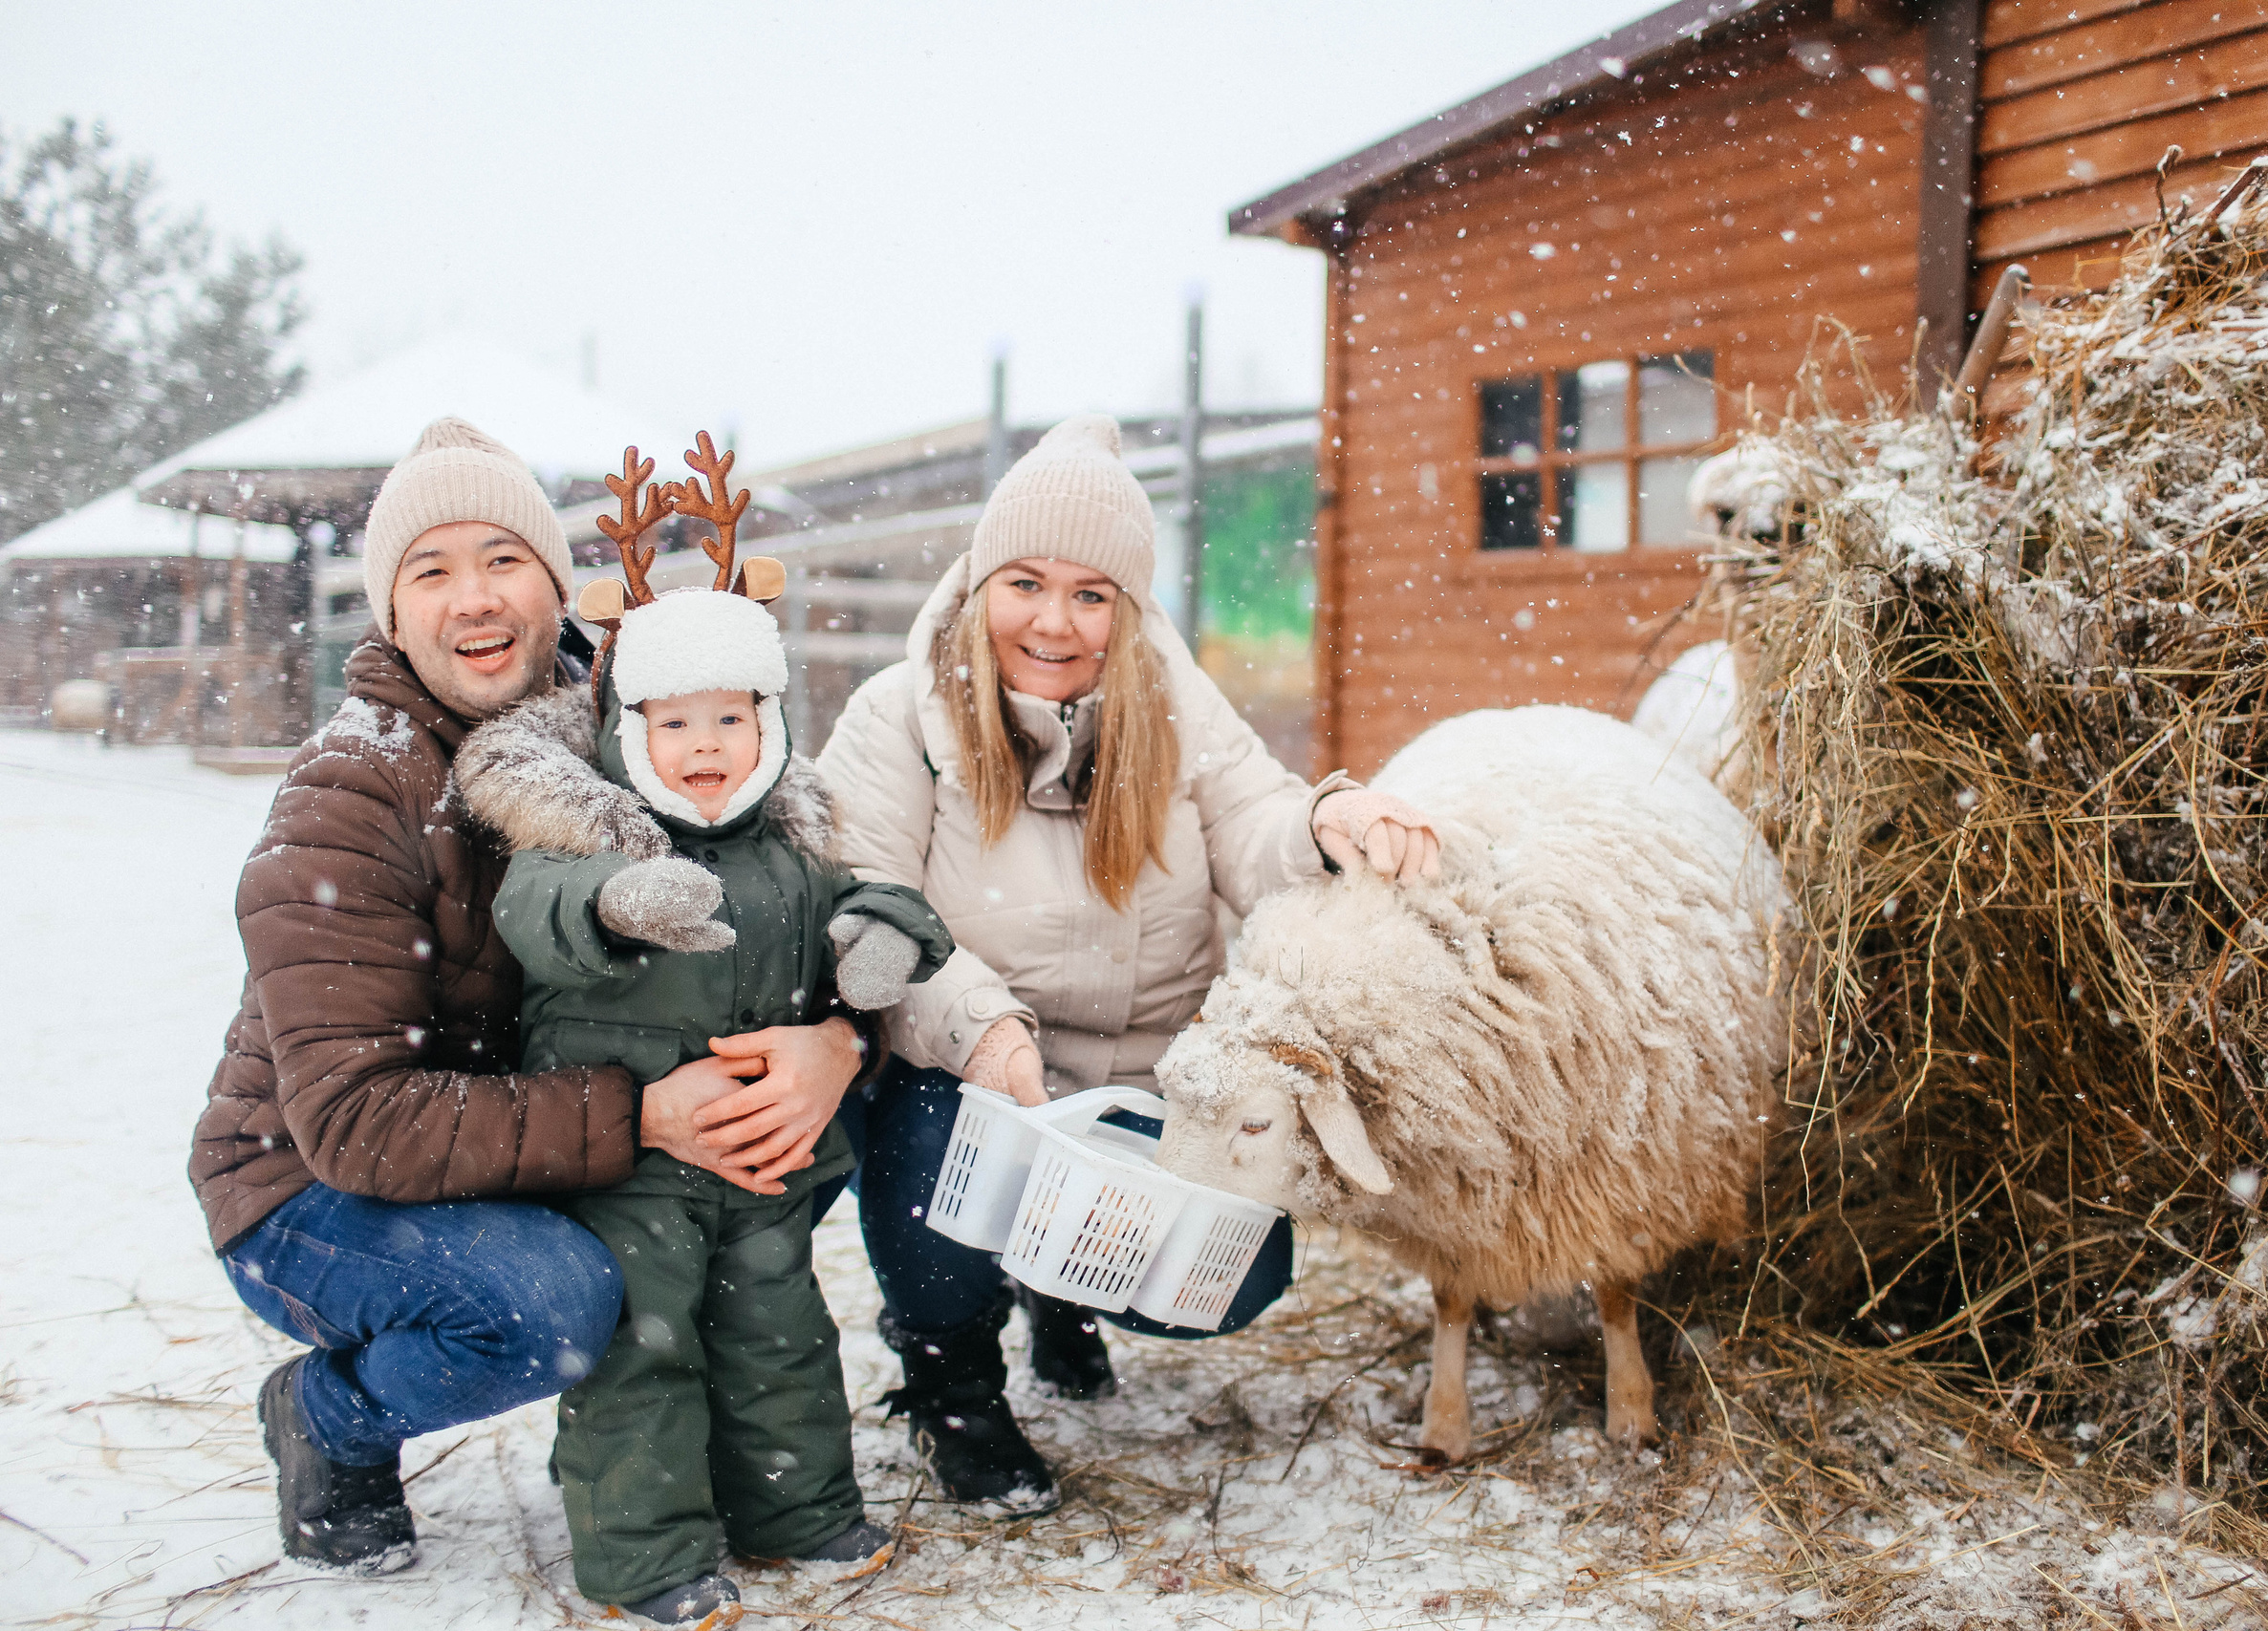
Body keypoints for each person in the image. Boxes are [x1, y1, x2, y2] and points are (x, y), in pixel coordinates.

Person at [189, 418, 868, 1575]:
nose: (476, 601)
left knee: (773, 1167)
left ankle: (724, 1456)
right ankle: (325, 1416)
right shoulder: (349, 797)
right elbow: (355, 1121)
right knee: (548, 1304)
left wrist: (835, 1044)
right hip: (307, 1186)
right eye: (432, 570)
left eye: (505, 560)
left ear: (558, 585)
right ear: (391, 611)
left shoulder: (643, 728)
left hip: (533, 1138)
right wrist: (643, 1117)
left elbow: (793, 903)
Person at [814, 413, 1439, 1511]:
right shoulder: (896, 716)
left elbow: (1252, 818)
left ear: (1130, 608)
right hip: (971, 1072)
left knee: (1243, 1277)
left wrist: (1326, 825)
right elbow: (873, 904)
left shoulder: (1173, 701)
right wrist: (984, 1029)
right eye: (1025, 583)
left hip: (1147, 1072)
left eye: (1091, 595)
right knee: (937, 1201)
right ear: (978, 580)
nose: (1054, 622)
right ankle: (951, 1383)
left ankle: (1067, 1290)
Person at [477, 566, 956, 1623]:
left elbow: (869, 893)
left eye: (729, 719)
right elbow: (534, 910)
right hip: (634, 1168)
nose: (704, 746)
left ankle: (799, 1511)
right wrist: (618, 900)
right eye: (675, 722)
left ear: (768, 726)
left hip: (763, 1164)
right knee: (644, 1350)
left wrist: (884, 934)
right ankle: (647, 1556)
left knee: (781, 1335)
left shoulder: (790, 848)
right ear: (625, 733)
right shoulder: (584, 837)